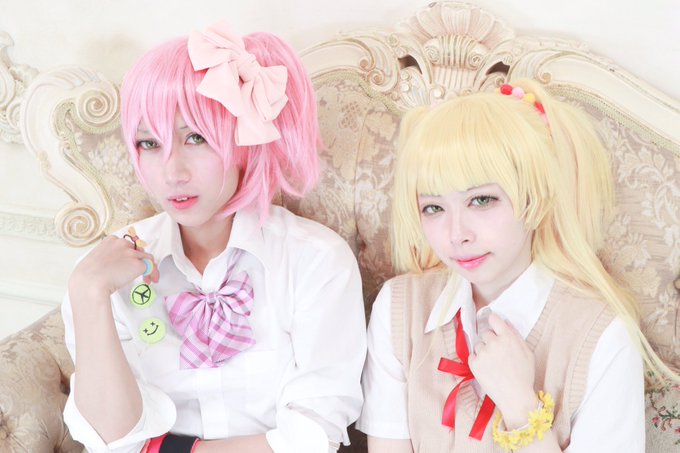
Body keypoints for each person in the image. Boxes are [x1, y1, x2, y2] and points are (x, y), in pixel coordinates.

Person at [62, 20, 366, 453]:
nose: (172, 173)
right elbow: (112, 439)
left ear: (244, 142)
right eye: (150, 144)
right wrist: (88, 293)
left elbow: (312, 435)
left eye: (196, 138)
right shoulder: (104, 272)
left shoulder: (314, 260)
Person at [356, 80, 678, 452]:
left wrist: (521, 406)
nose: (457, 234)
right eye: (434, 207)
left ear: (534, 198)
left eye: (481, 200)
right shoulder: (400, 308)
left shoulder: (602, 336)